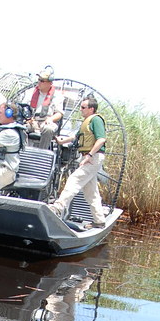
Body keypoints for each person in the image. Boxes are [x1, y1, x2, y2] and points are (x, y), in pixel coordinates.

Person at [50, 95, 107, 226]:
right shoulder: (87, 122)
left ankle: (57, 207)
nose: (80, 109)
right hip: (89, 156)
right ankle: (99, 220)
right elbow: (75, 137)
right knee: (91, 192)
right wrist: (61, 141)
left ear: (91, 109)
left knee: (74, 179)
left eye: (83, 107)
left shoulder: (96, 120)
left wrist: (89, 155)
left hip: (93, 157)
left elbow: (101, 139)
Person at [0, 102, 26, 189]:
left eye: (0, 113)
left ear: (9, 114)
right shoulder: (4, 129)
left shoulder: (10, 133)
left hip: (6, 171)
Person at [27, 65, 64, 149]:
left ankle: (42, 152)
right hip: (33, 121)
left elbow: (59, 113)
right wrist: (28, 118)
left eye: (42, 81)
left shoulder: (57, 96)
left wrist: (50, 119)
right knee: (21, 127)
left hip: (47, 122)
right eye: (39, 80)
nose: (39, 82)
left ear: (50, 83)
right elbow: (24, 108)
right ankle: (23, 151)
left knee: (48, 129)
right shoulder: (30, 93)